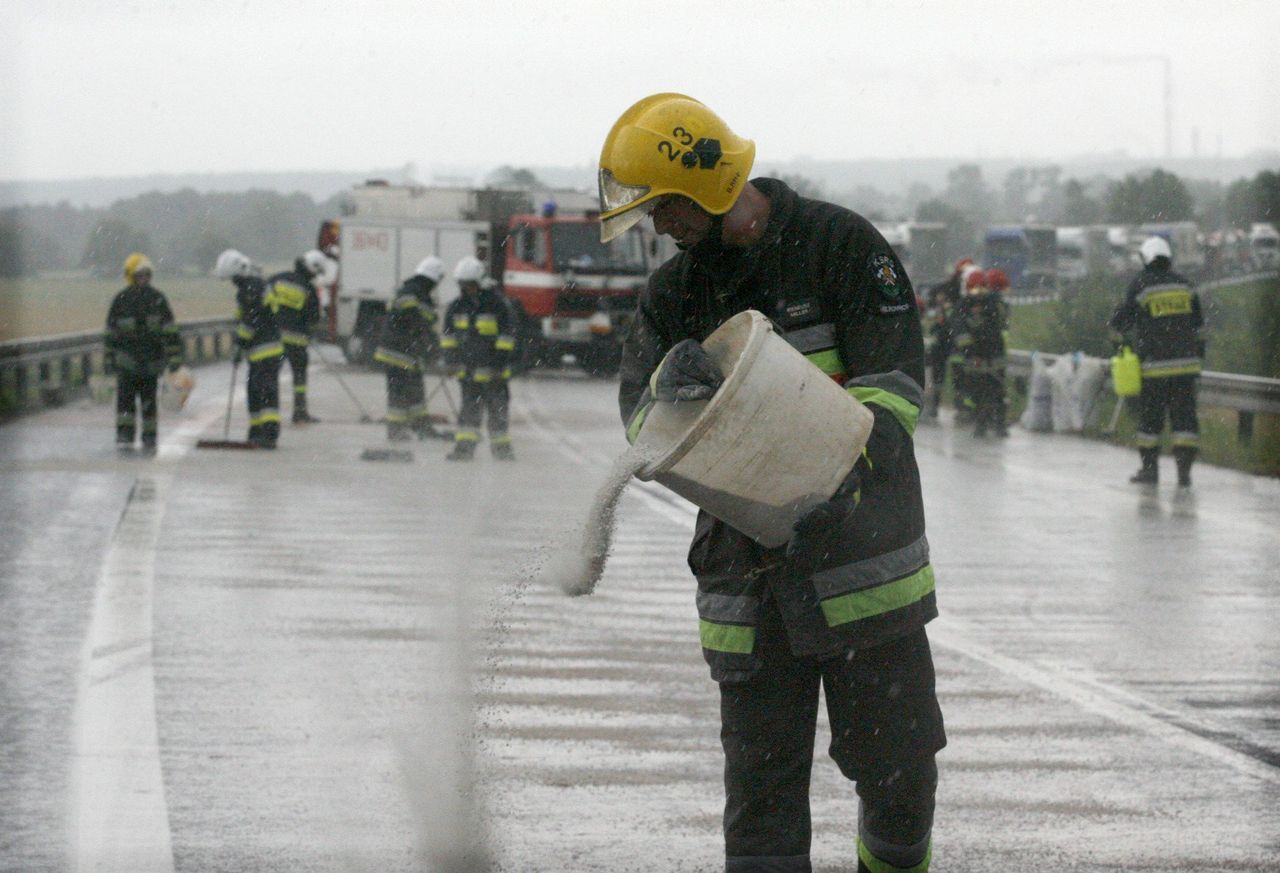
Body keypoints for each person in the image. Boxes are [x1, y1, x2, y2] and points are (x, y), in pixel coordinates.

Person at [600, 93, 944, 873]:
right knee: (761, 805)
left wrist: (836, 484)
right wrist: (666, 384)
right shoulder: (673, 294)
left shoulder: (842, 247)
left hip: (863, 570)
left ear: (707, 185)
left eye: (663, 208)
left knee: (901, 784)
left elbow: (893, 385)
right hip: (746, 585)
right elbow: (641, 424)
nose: (659, 227)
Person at [1108, 235, 1204, 487]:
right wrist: (1196, 358)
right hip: (1186, 368)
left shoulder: (1142, 285)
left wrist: (1123, 348)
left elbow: (1118, 324)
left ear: (1146, 258)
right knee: (1184, 422)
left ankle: (1150, 470)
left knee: (1150, 422)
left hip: (1154, 369)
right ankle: (1184, 472)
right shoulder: (1186, 286)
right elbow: (1200, 328)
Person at [440, 256, 517, 461]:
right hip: (468, 372)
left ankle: (502, 452)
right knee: (468, 414)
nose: (467, 289)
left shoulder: (497, 304)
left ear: (480, 283)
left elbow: (507, 336)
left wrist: (500, 363)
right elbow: (448, 337)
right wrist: (450, 361)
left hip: (495, 373)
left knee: (497, 415)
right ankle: (464, 450)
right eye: (463, 285)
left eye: (470, 285)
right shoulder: (457, 306)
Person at [104, 253, 183, 452]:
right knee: (125, 403)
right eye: (140, 275)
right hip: (126, 364)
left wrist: (175, 358)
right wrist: (108, 359)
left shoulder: (157, 299)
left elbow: (170, 330)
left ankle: (149, 436)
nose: (144, 279)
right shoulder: (121, 301)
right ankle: (125, 435)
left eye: (146, 275)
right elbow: (110, 334)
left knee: (149, 403)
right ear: (130, 276)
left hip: (151, 364)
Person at [374, 256, 449, 441]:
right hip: (398, 351)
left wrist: (429, 346)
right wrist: (429, 344)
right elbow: (415, 321)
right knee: (398, 392)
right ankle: (395, 431)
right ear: (433, 278)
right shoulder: (411, 293)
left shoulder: (416, 292)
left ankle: (420, 426)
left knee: (416, 389)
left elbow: (422, 324)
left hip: (407, 351)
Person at [215, 248, 283, 448]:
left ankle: (268, 434)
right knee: (256, 389)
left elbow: (249, 321)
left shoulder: (251, 289)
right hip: (263, 348)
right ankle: (256, 431)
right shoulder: (255, 285)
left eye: (233, 278)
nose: (233, 282)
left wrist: (239, 345)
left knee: (263, 390)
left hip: (265, 348)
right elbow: (244, 316)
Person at [267, 250, 331, 423]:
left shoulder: (277, 278)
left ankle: (269, 412)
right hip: (297, 341)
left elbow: (263, 301)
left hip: (274, 338)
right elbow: (313, 319)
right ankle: (300, 412)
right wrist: (309, 331)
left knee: (271, 375)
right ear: (312, 268)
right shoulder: (309, 289)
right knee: (300, 377)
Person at [953, 268, 1009, 437]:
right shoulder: (963, 305)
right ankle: (981, 423)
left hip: (994, 355)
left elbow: (995, 328)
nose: (978, 293)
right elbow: (959, 330)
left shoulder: (993, 303)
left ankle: (1000, 424)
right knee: (977, 390)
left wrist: (989, 349)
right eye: (974, 289)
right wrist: (971, 351)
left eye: (982, 288)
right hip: (973, 357)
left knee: (998, 390)